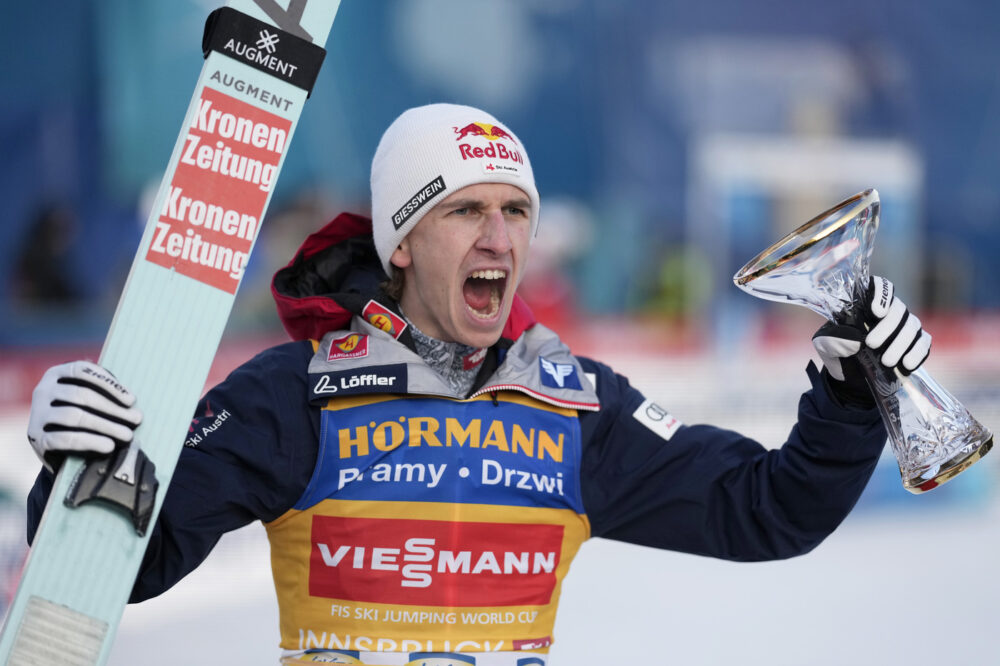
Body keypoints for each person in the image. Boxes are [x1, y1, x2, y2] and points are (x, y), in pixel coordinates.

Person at [24, 103, 931, 666]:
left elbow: (764, 511)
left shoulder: (578, 409)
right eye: (466, 208)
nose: (500, 238)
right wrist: (78, 464)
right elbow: (121, 572)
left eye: (517, 211)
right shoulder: (293, 397)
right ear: (403, 242)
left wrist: (852, 396)